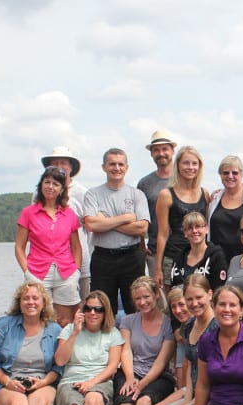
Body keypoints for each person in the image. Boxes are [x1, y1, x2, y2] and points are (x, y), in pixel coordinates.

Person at [118, 275, 217, 405]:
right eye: (180, 304)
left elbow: (206, 377)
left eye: (188, 302)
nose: (186, 307)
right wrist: (187, 398)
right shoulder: (188, 328)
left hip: (212, 398)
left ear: (210, 295)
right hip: (194, 393)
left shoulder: (214, 328)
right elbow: (192, 376)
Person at [104, 277, 177, 405]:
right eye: (138, 299)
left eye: (146, 297)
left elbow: (161, 361)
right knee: (125, 404)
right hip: (131, 370)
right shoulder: (128, 320)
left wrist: (142, 384)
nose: (142, 302)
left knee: (144, 401)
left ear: (155, 295)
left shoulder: (168, 323)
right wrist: (130, 377)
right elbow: (126, 350)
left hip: (158, 376)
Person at [54, 290, 124, 405]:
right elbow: (60, 361)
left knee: (93, 400)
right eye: (89, 308)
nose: (93, 313)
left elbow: (113, 367)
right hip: (71, 380)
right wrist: (75, 333)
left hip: (100, 380)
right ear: (82, 310)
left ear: (105, 312)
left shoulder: (113, 333)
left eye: (98, 309)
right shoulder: (70, 330)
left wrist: (91, 383)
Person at [83, 148, 149, 314]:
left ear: (126, 168)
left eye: (121, 164)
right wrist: (126, 218)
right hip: (103, 258)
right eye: (112, 164)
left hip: (131, 257)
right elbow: (91, 225)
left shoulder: (137, 194)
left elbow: (142, 228)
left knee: (136, 305)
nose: (116, 168)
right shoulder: (93, 194)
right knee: (101, 308)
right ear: (104, 167)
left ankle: (133, 340)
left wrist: (105, 220)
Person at [15, 165, 83, 327]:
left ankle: (62, 352)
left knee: (65, 321)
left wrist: (77, 271)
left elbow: (76, 247)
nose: (50, 187)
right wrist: (27, 271)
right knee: (39, 319)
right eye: (47, 182)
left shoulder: (69, 214)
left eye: (55, 184)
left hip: (66, 273)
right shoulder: (28, 213)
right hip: (37, 272)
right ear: (41, 185)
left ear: (61, 189)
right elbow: (19, 247)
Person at [154, 145, 210, 289]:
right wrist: (158, 268)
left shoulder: (204, 193)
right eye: (185, 163)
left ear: (199, 166)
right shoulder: (166, 194)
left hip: (200, 256)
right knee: (172, 301)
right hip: (173, 255)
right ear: (177, 165)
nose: (190, 167)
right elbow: (162, 233)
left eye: (194, 163)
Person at [41, 147, 91, 299]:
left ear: (71, 167)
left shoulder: (82, 192)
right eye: (55, 163)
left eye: (63, 163)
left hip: (81, 263)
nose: (59, 166)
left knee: (84, 305)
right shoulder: (39, 194)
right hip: (49, 264)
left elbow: (89, 227)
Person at [137, 130, 177, 277]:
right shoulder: (144, 183)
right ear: (151, 154)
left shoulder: (185, 178)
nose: (161, 153)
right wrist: (142, 243)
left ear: (173, 150)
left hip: (183, 250)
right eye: (156, 150)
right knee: (160, 298)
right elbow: (140, 215)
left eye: (165, 149)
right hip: (155, 251)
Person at [208, 155, 243, 261]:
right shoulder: (214, 199)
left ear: (242, 174)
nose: (230, 176)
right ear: (220, 175)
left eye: (235, 173)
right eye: (225, 173)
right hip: (216, 261)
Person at [168, 211, 228, 289]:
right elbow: (173, 287)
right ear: (185, 232)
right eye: (190, 228)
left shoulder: (216, 256)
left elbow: (219, 289)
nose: (194, 231)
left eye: (198, 226)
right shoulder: (178, 258)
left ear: (206, 229)